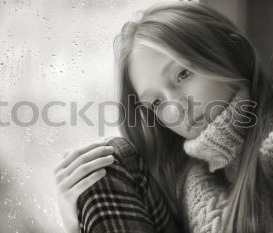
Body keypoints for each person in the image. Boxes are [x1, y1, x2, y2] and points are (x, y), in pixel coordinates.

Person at [53, 2, 273, 233]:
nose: (176, 108)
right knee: (103, 166)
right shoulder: (181, 183)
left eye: (183, 74)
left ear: (232, 52)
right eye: (157, 102)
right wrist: (77, 221)